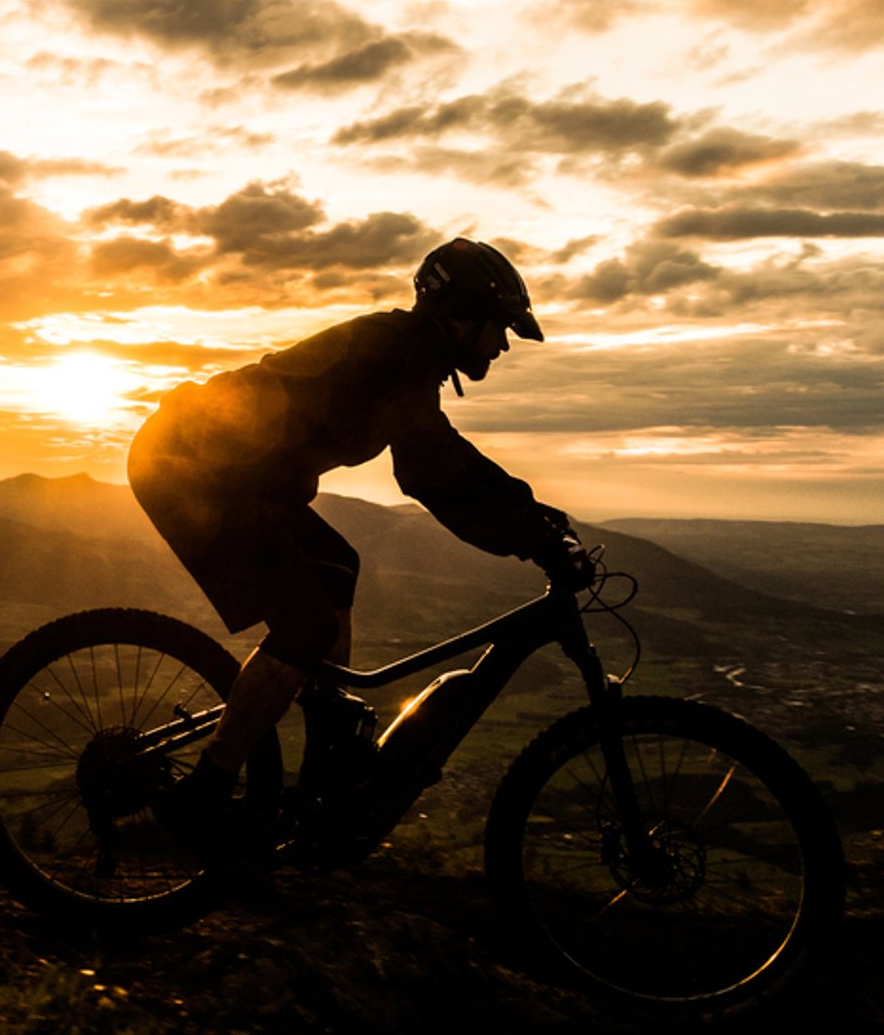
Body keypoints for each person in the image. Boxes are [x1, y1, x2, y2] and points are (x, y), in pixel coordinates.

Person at [126, 236, 591, 851]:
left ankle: (327, 735)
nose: (502, 344)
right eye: (499, 328)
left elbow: (445, 451)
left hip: (232, 474)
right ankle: (203, 793)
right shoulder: (403, 354)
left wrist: (533, 513)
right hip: (190, 470)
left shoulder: (409, 352)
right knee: (306, 629)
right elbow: (429, 472)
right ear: (463, 314)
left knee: (339, 567)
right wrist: (534, 540)